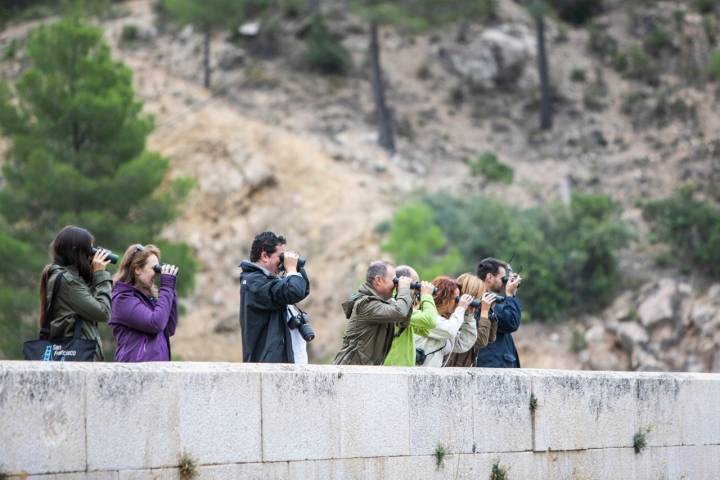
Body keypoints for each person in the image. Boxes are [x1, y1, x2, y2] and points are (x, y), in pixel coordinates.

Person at [37, 225, 112, 361]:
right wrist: (100, 274)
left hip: (72, 353)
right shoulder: (69, 282)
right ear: (76, 251)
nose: (91, 255)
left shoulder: (61, 276)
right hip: (77, 356)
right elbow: (103, 312)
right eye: (89, 250)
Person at [239, 231, 310, 363]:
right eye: (280, 257)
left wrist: (297, 268)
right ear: (265, 256)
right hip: (268, 368)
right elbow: (294, 291)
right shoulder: (254, 283)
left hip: (281, 367)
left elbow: (303, 290)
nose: (282, 262)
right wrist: (291, 270)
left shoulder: (266, 281)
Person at [334, 261, 413, 365]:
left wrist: (408, 294)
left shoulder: (384, 303)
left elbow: (403, 322)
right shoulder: (366, 304)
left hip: (364, 369)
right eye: (394, 280)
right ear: (379, 280)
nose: (396, 284)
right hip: (351, 370)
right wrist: (403, 290)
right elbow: (399, 313)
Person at [110, 244, 179, 362]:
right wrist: (166, 286)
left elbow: (169, 328)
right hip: (135, 373)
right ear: (137, 269)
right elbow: (155, 324)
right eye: (154, 268)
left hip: (157, 372)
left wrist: (170, 287)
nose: (157, 273)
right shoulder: (123, 299)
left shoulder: (150, 298)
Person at [414, 276, 478, 367]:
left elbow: (462, 343)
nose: (457, 302)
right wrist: (461, 308)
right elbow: (449, 330)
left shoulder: (443, 320)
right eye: (456, 299)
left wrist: (469, 316)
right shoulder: (425, 316)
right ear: (444, 299)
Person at [383, 265, 437, 367]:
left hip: (401, 371)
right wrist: (427, 296)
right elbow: (430, 321)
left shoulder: (403, 307)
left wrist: (422, 299)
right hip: (391, 372)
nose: (417, 289)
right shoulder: (394, 305)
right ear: (403, 283)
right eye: (415, 284)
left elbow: (425, 329)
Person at [474, 257, 523, 368]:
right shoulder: (484, 301)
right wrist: (510, 295)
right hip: (493, 364)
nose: (504, 282)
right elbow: (511, 322)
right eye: (503, 278)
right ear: (489, 277)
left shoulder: (479, 298)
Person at [445, 273, 496, 367]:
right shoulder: (454, 316)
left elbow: (491, 338)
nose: (480, 300)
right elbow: (480, 341)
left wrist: (490, 312)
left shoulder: (469, 315)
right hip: (451, 369)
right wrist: (484, 312)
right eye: (478, 296)